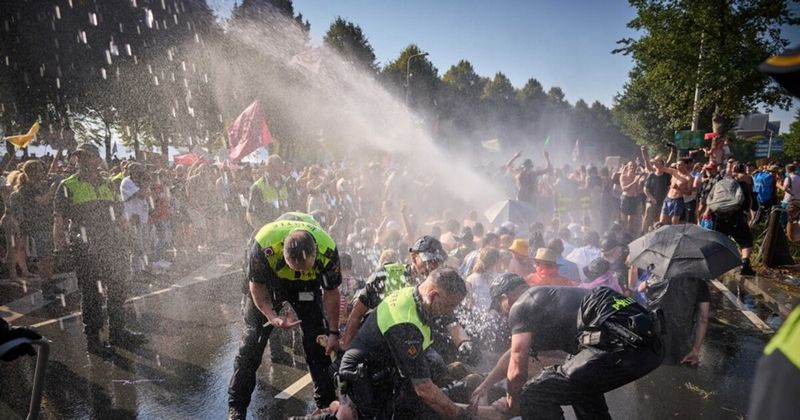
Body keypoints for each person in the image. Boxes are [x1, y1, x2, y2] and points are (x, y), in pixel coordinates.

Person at [472, 276, 664, 419]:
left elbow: (516, 368)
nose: (503, 316)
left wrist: (513, 401)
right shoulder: (545, 299)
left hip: (617, 343)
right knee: (579, 386)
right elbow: (512, 355)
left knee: (533, 393)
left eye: (499, 309)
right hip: (651, 346)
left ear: (506, 298)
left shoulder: (520, 305)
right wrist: (485, 385)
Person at [228, 219, 342, 420]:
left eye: (304, 268)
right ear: (283, 254)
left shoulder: (328, 251)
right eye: (295, 269)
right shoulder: (264, 246)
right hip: (271, 282)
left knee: (318, 343)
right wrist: (272, 317)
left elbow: (331, 293)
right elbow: (256, 286)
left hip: (307, 288)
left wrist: (333, 333)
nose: (299, 273)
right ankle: (236, 408)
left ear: (315, 253)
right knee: (252, 342)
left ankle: (325, 406)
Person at [338, 267, 475, 420]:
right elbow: (423, 389)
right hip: (362, 377)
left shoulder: (417, 297)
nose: (450, 312)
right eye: (450, 306)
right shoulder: (405, 323)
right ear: (433, 295)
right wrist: (462, 416)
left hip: (383, 368)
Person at [53, 143, 143, 355]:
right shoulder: (68, 185)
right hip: (85, 247)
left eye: (87, 156)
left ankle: (118, 332)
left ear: (96, 158)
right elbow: (58, 221)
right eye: (79, 157)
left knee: (118, 287)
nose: (82, 160)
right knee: (91, 293)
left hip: (112, 243)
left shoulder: (109, 185)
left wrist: (132, 239)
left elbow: (121, 217)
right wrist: (60, 249)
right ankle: (93, 339)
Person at [642, 275, 709, 366]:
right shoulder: (700, 283)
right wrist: (695, 350)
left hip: (654, 338)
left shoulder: (656, 277)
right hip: (681, 343)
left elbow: (639, 289)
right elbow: (703, 318)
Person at [246, 155, 291, 231]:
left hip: (287, 227)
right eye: (274, 169)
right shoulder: (258, 187)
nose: (277, 174)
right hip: (269, 229)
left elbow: (295, 205)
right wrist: (260, 228)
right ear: (267, 168)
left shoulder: (286, 182)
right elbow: (250, 213)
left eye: (279, 170)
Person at [658, 158, 694, 225]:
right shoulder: (674, 171)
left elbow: (689, 192)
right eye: (677, 165)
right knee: (662, 221)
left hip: (678, 200)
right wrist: (646, 156)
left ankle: (673, 235)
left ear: (685, 165)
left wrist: (678, 188)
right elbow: (661, 168)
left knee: (674, 223)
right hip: (668, 198)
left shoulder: (689, 177)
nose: (678, 166)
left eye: (680, 165)